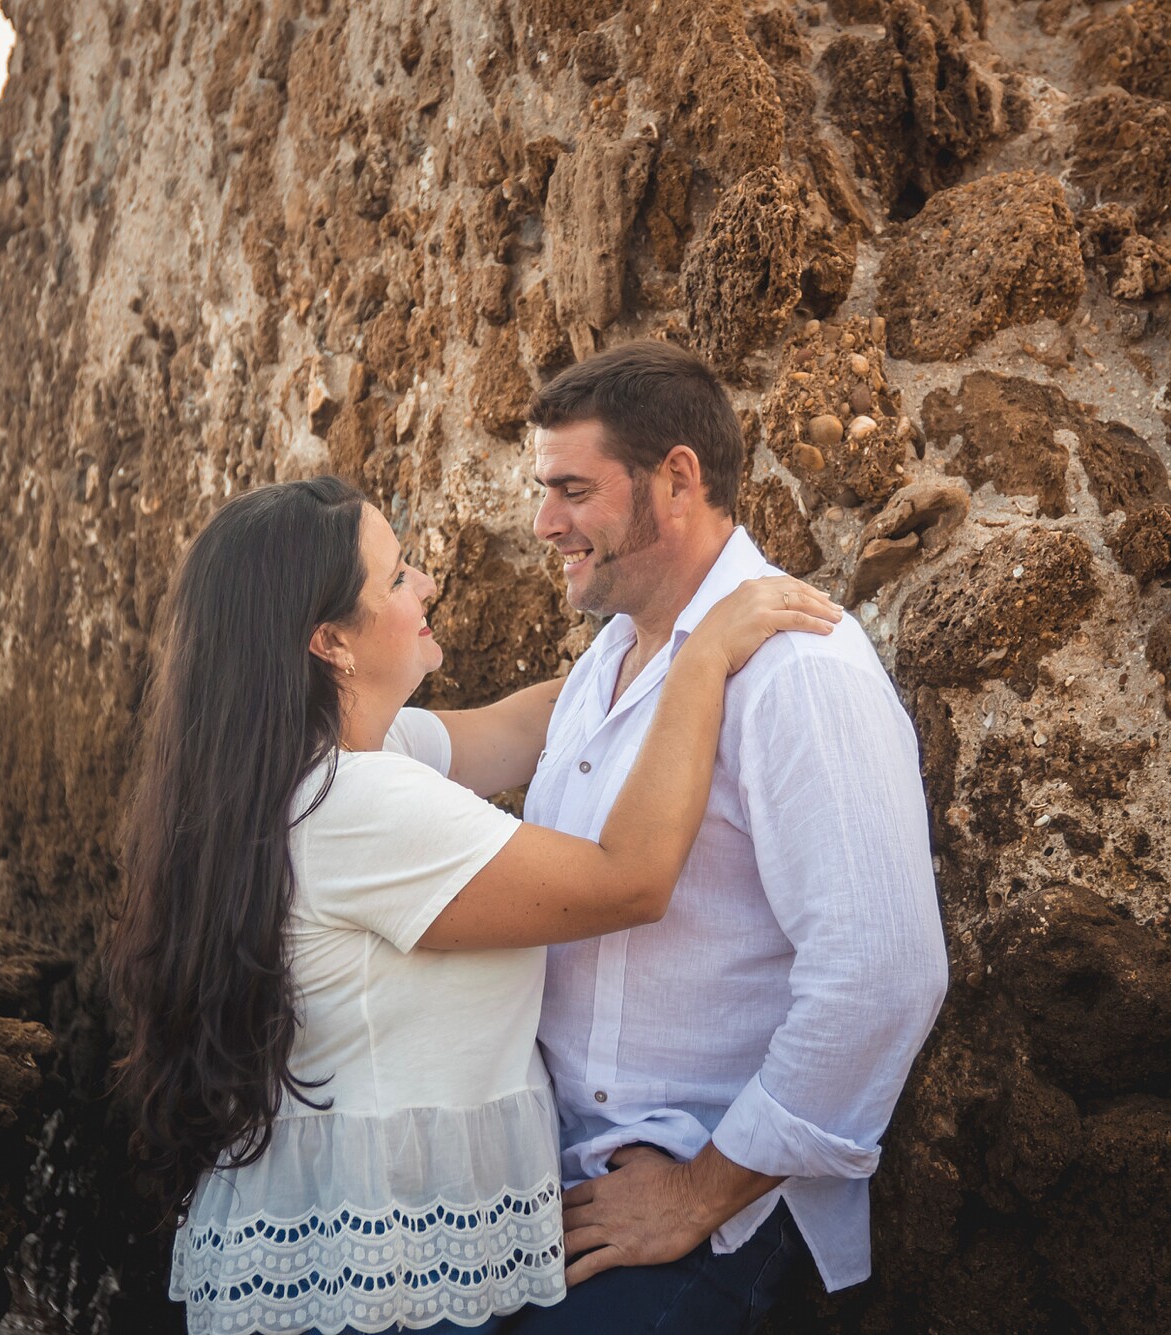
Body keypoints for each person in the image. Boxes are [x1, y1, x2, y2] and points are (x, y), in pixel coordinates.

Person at [104, 475, 841, 1335]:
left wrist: (652, 639)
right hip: (374, 1278)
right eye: (396, 577)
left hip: (369, 1246)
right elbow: (629, 878)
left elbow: (532, 725)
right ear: (330, 641)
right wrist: (707, 657)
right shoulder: (360, 802)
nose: (427, 584)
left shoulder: (316, 761)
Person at [507, 341, 951, 1333]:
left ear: (675, 479)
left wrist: (698, 1194)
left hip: (711, 1210)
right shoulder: (604, 666)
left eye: (570, 490)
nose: (544, 524)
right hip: (566, 1181)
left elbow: (883, 972)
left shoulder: (801, 672)